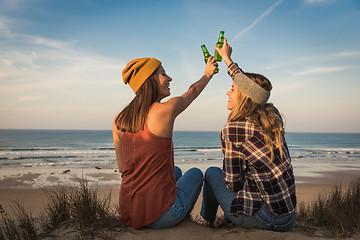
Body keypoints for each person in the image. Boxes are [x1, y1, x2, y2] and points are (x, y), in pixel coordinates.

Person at [200, 39, 296, 232]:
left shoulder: (233, 129)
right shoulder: (272, 115)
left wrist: (228, 58)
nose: (228, 92)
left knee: (211, 173)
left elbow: (232, 183)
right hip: (289, 217)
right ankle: (223, 218)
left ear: (245, 96)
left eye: (233, 89)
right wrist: (228, 60)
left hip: (267, 219)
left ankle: (207, 224)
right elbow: (257, 92)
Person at [112, 56, 218, 229]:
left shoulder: (119, 120)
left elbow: (124, 168)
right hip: (161, 217)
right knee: (196, 173)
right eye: (163, 74)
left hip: (129, 215)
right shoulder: (163, 111)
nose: (169, 78)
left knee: (174, 171)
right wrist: (207, 74)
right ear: (149, 81)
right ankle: (208, 222)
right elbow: (192, 92)